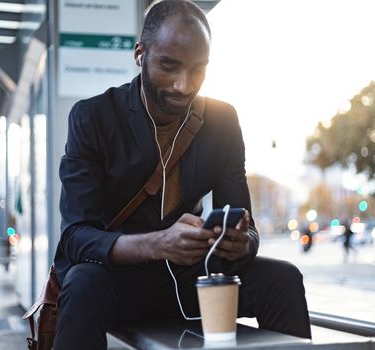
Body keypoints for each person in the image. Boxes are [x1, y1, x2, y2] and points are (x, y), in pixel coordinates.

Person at [52, 1, 311, 348]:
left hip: (190, 280)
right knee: (83, 281)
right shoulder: (93, 118)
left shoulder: (222, 121)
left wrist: (240, 242)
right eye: (169, 66)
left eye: (198, 70)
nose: (183, 86)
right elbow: (75, 237)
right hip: (118, 284)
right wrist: (159, 244)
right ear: (140, 54)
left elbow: (246, 227)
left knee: (283, 278)